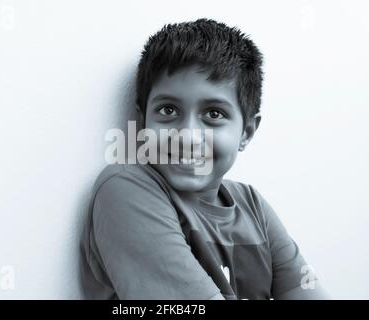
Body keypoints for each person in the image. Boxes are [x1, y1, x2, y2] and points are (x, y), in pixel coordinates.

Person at [79, 18, 328, 300]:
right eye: (169, 110)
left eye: (213, 114)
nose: (187, 136)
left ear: (246, 132)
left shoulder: (253, 205)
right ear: (142, 121)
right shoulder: (125, 189)